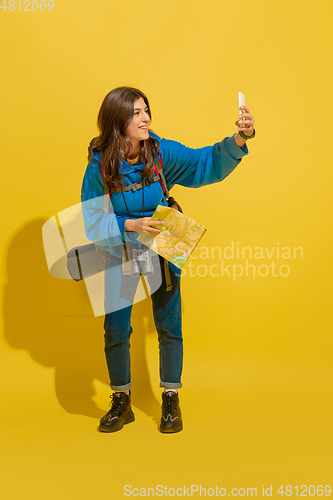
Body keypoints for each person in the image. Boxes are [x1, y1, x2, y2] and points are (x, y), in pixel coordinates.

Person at [81, 86, 255, 433]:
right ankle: (121, 401)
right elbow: (89, 218)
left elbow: (206, 163)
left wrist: (240, 137)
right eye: (135, 113)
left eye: (146, 110)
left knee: (168, 324)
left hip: (164, 241)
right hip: (119, 246)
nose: (145, 118)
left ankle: (171, 398)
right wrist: (128, 223)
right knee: (115, 328)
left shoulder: (160, 153)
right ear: (118, 122)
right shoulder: (100, 163)